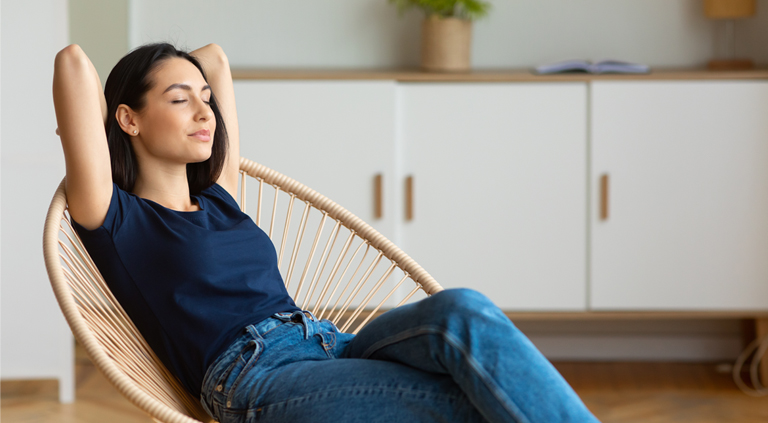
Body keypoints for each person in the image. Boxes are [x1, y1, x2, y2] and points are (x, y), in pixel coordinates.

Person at [53, 42, 600, 423]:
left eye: (206, 99)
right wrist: (110, 129)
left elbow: (214, 58)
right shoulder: (118, 219)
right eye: (179, 100)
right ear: (128, 119)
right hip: (254, 378)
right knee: (467, 404)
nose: (205, 112)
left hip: (329, 343)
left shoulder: (219, 196)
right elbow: (73, 63)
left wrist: (181, 84)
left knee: (463, 309)